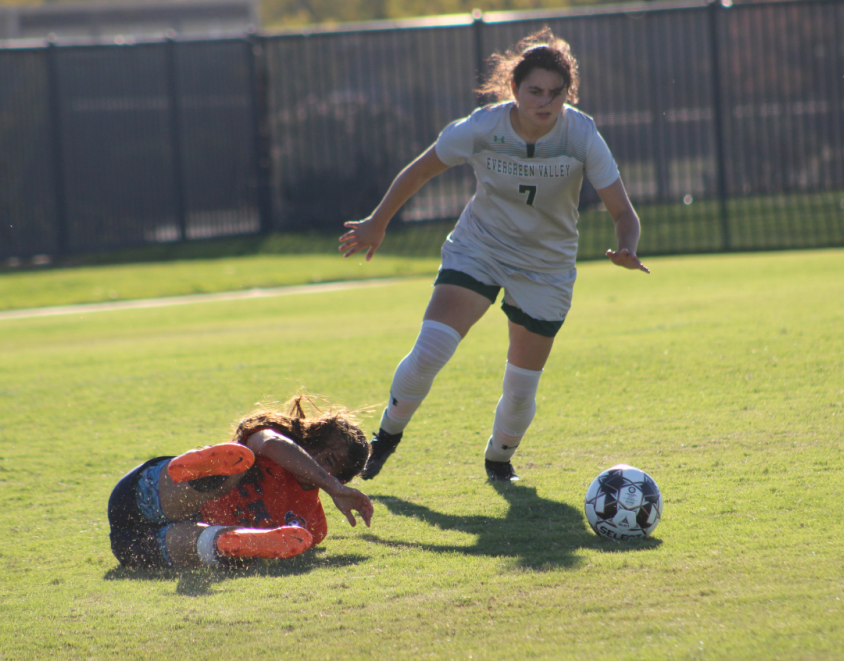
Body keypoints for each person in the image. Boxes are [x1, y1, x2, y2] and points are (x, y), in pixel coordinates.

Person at [338, 28, 650, 483]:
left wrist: (627, 247)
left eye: (555, 93)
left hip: (546, 266)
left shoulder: (580, 134)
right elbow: (420, 170)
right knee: (431, 350)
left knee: (521, 388)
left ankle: (498, 459)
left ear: (569, 93)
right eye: (534, 91)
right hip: (480, 247)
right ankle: (384, 439)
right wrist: (378, 222)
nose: (545, 102)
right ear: (514, 90)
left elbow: (624, 212)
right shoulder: (482, 127)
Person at [108, 395, 373, 568]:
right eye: (321, 448)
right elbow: (269, 443)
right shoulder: (275, 438)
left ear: (341, 476)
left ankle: (230, 542)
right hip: (143, 494)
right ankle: (197, 472)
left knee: (204, 541)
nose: (316, 458)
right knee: (239, 460)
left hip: (142, 543)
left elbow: (300, 538)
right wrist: (332, 486)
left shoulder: (313, 523)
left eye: (330, 461)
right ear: (311, 437)